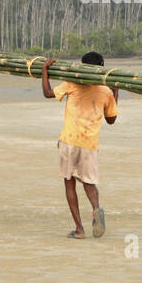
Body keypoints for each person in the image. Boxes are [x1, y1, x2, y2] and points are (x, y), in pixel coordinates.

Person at [41, 52, 119, 239]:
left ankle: (79, 230)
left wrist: (45, 70)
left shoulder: (72, 83)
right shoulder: (105, 91)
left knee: (69, 184)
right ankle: (95, 209)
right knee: (89, 183)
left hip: (69, 140)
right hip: (89, 144)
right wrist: (115, 90)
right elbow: (111, 120)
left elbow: (48, 93)